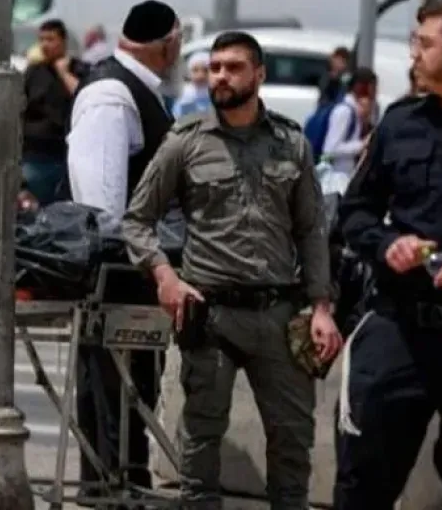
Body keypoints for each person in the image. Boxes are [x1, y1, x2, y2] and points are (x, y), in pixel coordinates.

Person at [122, 30, 342, 509]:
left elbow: (311, 231)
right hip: (210, 316)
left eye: (234, 67)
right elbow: (137, 220)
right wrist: (165, 276)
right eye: (216, 66)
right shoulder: (185, 142)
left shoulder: (291, 143)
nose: (221, 76)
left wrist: (321, 307)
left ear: (258, 75)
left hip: (279, 316)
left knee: (292, 443)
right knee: (200, 444)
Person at [335, 0, 442, 509]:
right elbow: (356, 213)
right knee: (362, 483)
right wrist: (389, 243)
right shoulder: (400, 122)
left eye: (424, 42)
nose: (412, 52)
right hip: (399, 330)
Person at [65, 0, 181, 500]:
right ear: (169, 43)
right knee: (112, 398)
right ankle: (108, 492)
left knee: (136, 398)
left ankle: (124, 487)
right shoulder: (113, 95)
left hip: (135, 278)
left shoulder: (140, 92)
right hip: (115, 280)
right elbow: (101, 207)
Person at [22, 19, 87, 205]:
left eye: (50, 39)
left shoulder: (77, 69)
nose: (45, 44)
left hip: (65, 156)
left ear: (63, 41)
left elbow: (84, 96)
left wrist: (63, 72)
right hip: (35, 157)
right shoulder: (33, 72)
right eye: (41, 39)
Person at [320, 67, 378, 179]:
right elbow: (330, 149)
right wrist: (362, 145)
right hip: (337, 177)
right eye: (373, 87)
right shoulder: (344, 111)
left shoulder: (355, 111)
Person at [171, 51, 212, 118]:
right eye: (195, 70)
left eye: (205, 70)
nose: (200, 75)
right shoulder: (183, 95)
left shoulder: (217, 93)